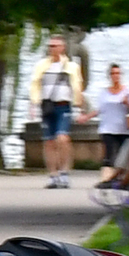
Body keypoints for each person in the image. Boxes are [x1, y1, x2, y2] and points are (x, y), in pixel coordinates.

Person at [31, 36, 85, 188]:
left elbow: (77, 86)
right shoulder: (42, 65)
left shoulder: (71, 66)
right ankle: (53, 175)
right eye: (50, 46)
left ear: (62, 48)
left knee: (62, 138)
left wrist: (79, 106)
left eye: (55, 46)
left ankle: (65, 172)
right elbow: (35, 84)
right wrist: (34, 103)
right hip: (47, 106)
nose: (52, 49)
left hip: (63, 105)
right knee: (49, 141)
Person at [92, 62, 129, 187]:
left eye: (118, 73)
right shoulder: (104, 93)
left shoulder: (127, 91)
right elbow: (99, 109)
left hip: (123, 129)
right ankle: (106, 180)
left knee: (122, 156)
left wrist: (128, 103)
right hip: (107, 128)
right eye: (113, 73)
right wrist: (86, 116)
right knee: (108, 156)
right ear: (109, 76)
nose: (116, 76)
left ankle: (121, 179)